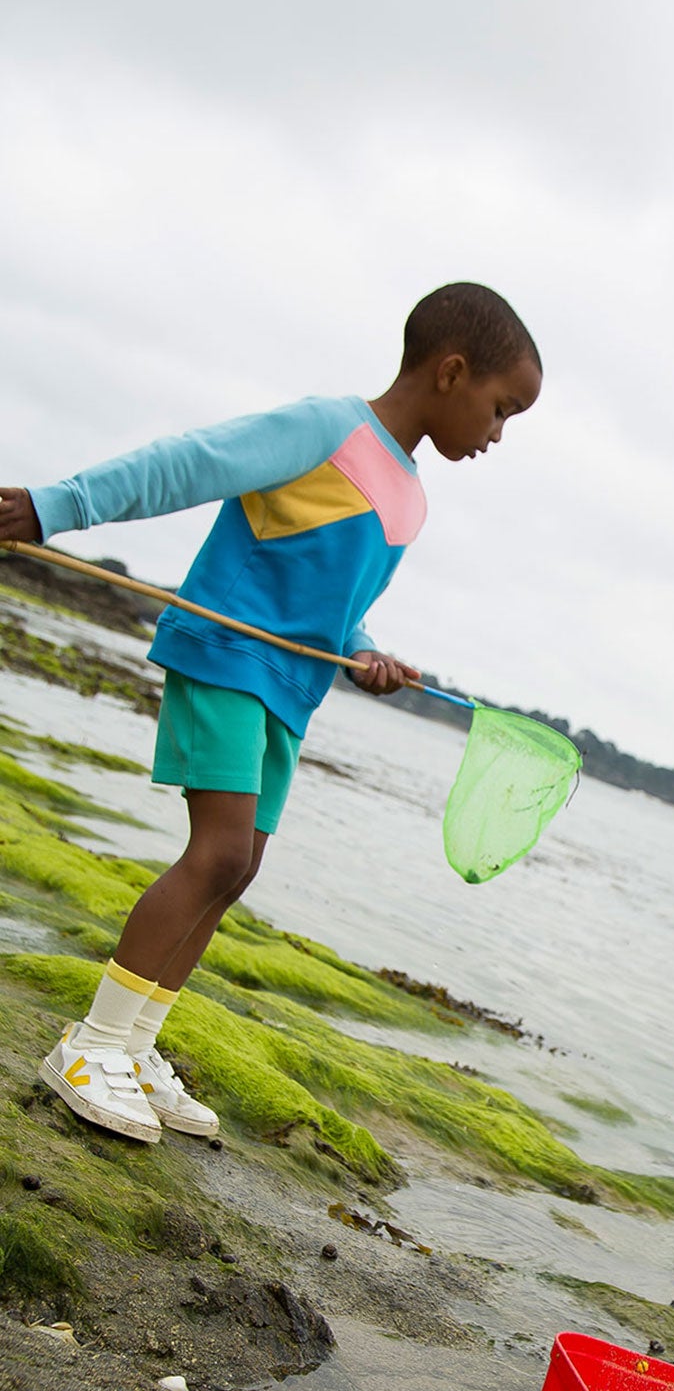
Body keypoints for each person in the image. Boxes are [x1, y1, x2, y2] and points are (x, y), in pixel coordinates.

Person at [0, 281, 541, 1145]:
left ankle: (134, 1043)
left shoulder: (411, 499)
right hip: (226, 658)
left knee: (238, 867)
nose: (498, 433)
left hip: (291, 691)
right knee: (213, 853)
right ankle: (90, 1042)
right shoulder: (327, 429)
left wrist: (364, 649)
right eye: (501, 408)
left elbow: (334, 599)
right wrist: (56, 507)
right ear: (451, 372)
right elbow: (190, 462)